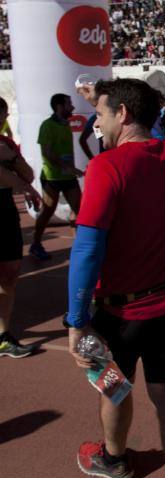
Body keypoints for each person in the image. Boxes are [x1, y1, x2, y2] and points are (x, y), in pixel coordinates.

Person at [65, 78, 165, 478]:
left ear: (122, 115)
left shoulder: (106, 165)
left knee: (112, 385)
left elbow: (87, 249)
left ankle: (114, 457)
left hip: (119, 313)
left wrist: (75, 320)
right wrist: (108, 100)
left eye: (100, 115)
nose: (96, 123)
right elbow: (149, 133)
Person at [0, 96, 41, 358]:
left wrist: (12, 158)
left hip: (4, 210)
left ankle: (3, 336)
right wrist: (24, 186)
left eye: (3, 115)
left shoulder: (5, 144)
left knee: (10, 272)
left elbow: (28, 173)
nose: (3, 120)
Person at [30, 93, 82, 261]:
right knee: (47, 212)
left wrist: (70, 169)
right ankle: (35, 245)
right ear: (60, 106)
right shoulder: (47, 125)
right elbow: (46, 152)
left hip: (68, 178)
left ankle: (80, 245)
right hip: (51, 178)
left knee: (80, 210)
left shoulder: (65, 124)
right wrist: (67, 167)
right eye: (69, 104)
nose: (73, 107)